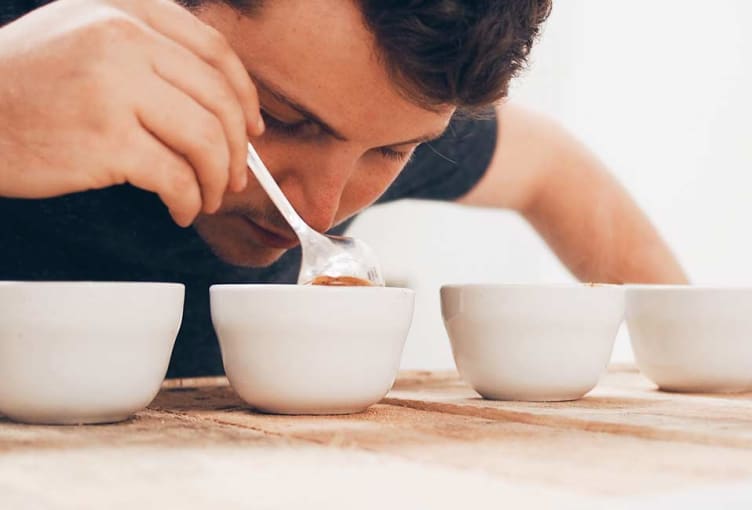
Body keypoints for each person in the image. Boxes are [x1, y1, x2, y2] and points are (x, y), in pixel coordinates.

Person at [0, 0, 687, 377]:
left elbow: (552, 168)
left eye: (390, 151)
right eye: (281, 117)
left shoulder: (371, 105)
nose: (320, 210)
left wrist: (705, 376)